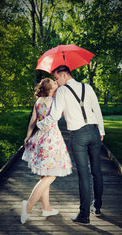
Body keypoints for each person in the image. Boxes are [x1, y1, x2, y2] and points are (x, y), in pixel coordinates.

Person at [36, 65, 105, 225]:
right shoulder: (87, 87)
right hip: (94, 132)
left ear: (64, 75)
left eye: (56, 77)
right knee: (96, 171)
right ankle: (98, 207)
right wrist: (101, 131)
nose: (56, 81)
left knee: (84, 174)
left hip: (78, 135)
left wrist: (40, 125)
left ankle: (84, 215)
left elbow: (54, 115)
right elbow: (98, 110)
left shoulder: (62, 91)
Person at [21, 78, 72, 224]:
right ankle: (28, 206)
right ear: (50, 88)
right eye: (54, 82)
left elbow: (33, 120)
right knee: (52, 174)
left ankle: (47, 208)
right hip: (52, 139)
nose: (57, 82)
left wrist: (28, 137)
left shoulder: (39, 102)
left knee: (45, 175)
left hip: (39, 139)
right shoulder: (55, 101)